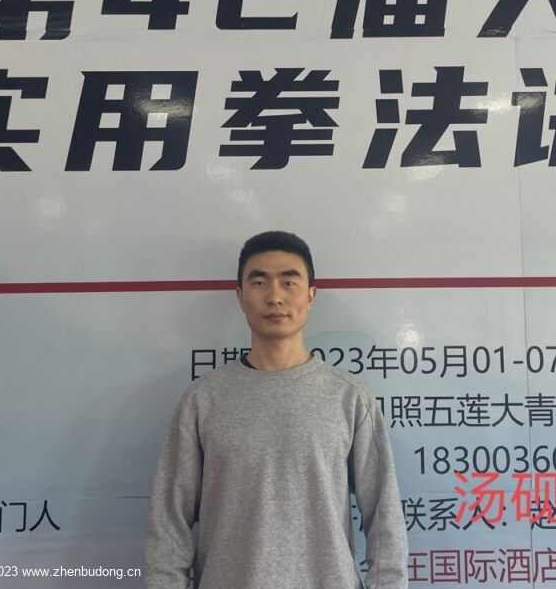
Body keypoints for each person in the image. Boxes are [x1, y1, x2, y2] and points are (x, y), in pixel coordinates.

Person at [144, 231, 408, 588]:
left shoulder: (349, 398)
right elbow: (168, 523)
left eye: (289, 282)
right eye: (259, 283)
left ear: (311, 295)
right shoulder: (204, 400)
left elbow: (385, 518)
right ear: (240, 296)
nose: (275, 296)